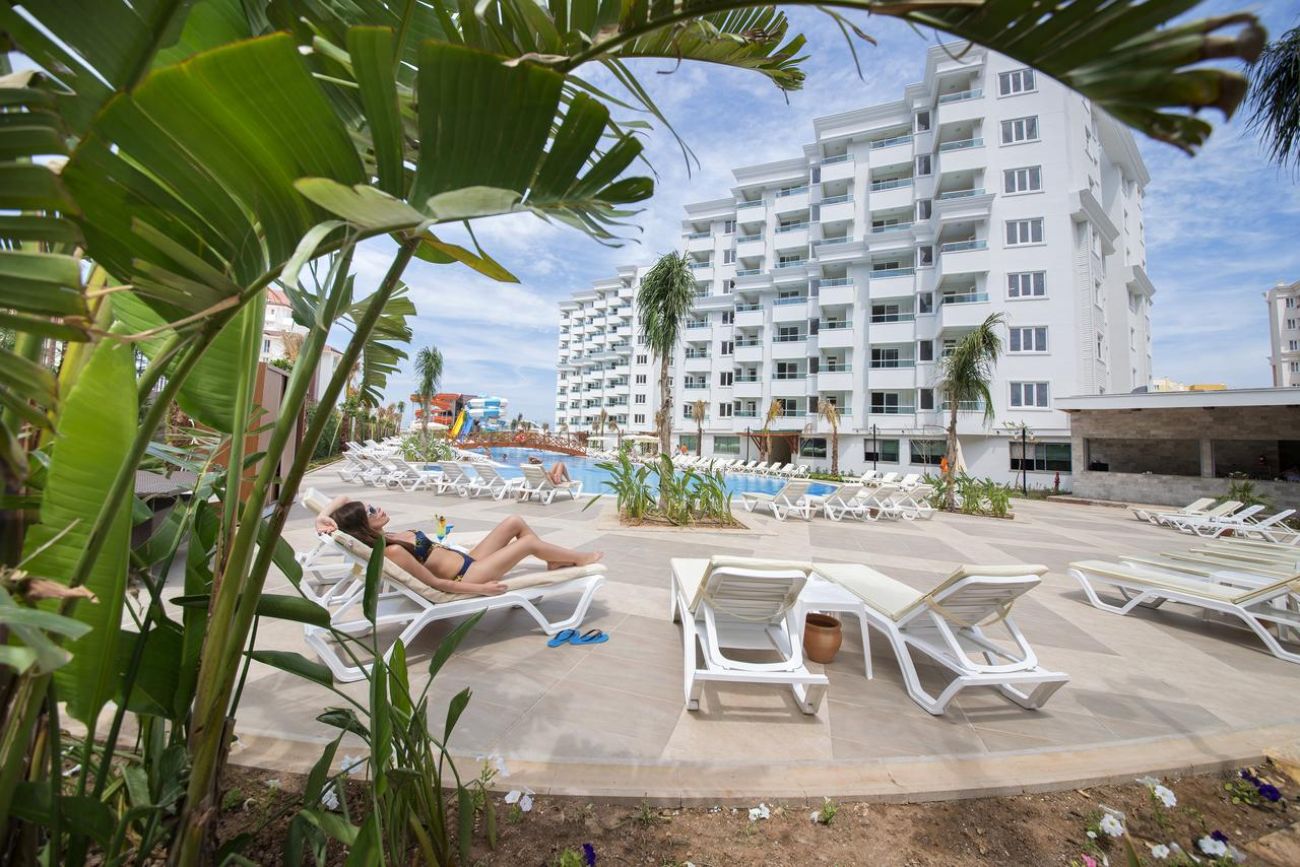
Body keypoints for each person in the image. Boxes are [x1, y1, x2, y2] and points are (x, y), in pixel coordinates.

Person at [313, 495, 602, 595]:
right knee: (527, 543)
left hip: (468, 560)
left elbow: (344, 499)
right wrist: (481, 589)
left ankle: (553, 560)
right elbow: (436, 585)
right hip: (468, 576)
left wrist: (323, 516)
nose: (378, 509)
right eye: (371, 512)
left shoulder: (388, 536)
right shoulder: (393, 551)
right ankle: (579, 558)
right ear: (363, 525)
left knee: (514, 521)